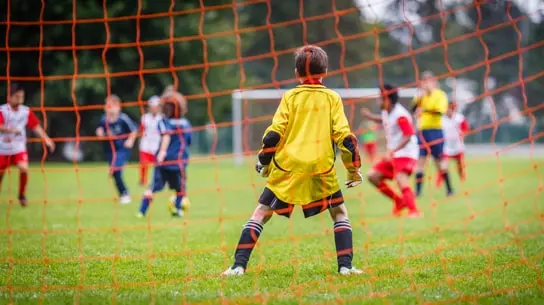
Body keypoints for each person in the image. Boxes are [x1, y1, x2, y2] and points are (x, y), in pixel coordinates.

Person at [222, 45, 363, 277]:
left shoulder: (290, 97)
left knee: (261, 213)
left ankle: (238, 266)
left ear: (297, 73)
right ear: (325, 71)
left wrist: (265, 164)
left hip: (287, 167)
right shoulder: (332, 98)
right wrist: (352, 170)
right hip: (320, 168)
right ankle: (345, 267)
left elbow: (273, 135)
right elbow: (345, 139)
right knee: (339, 213)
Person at [362, 84, 421, 217]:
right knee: (372, 176)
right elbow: (384, 120)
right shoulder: (386, 112)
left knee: (401, 179)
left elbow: (409, 134)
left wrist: (393, 150)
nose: (378, 101)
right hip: (394, 154)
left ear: (387, 99)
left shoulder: (401, 115)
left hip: (407, 154)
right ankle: (399, 202)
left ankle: (414, 211)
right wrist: (371, 117)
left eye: (380, 98)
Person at [0, 83, 55, 206]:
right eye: (17, 96)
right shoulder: (2, 110)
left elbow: (35, 126)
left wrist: (46, 139)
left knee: (24, 168)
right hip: (2, 148)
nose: (19, 99)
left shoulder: (25, 111)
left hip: (18, 148)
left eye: (21, 97)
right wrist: (12, 130)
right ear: (10, 97)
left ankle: (22, 195)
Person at [137, 94, 191, 218]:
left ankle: (141, 211)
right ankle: (177, 209)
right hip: (179, 161)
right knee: (180, 188)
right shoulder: (186, 123)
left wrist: (162, 152)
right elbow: (188, 141)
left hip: (163, 161)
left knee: (153, 188)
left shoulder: (163, 121)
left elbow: (165, 135)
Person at [412, 71, 453, 197]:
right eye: (424, 81)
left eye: (428, 80)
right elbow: (412, 109)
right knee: (420, 161)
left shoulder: (440, 95)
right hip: (422, 132)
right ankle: (418, 192)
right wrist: (420, 97)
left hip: (435, 131)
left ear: (434, 82)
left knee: (439, 161)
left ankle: (449, 189)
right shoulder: (420, 95)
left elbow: (441, 112)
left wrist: (425, 110)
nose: (426, 83)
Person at [96, 95, 138, 204]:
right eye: (108, 106)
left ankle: (125, 194)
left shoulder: (123, 119)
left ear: (118, 107)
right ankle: (124, 193)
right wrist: (100, 133)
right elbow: (100, 130)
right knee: (114, 173)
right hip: (110, 150)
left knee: (116, 170)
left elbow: (134, 130)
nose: (110, 108)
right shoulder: (104, 119)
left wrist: (130, 140)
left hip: (122, 149)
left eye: (113, 106)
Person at [437, 102, 470, 187]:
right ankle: (439, 183)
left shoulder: (459, 118)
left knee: (460, 165)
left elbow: (465, 129)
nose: (447, 111)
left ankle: (463, 179)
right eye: (446, 109)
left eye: (449, 109)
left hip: (458, 145)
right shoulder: (441, 119)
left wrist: (463, 135)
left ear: (452, 109)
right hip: (446, 146)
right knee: (443, 165)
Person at [138, 96, 163, 186]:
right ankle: (143, 180)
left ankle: (158, 180)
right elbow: (141, 130)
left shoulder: (161, 118)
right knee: (144, 163)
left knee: (158, 164)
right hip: (145, 143)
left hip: (156, 144)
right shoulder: (145, 117)